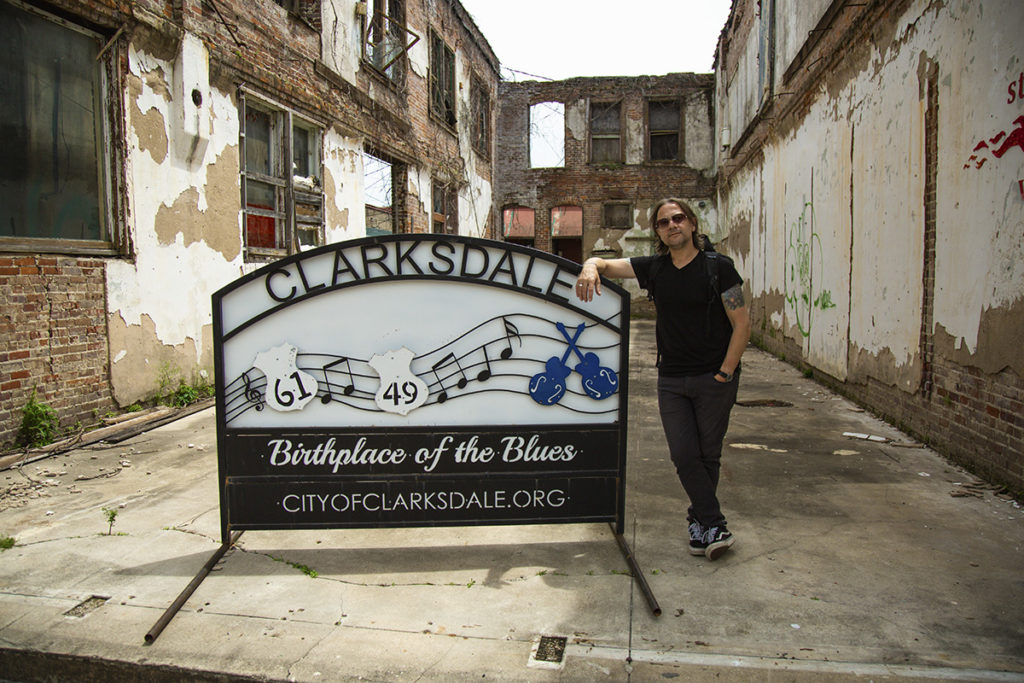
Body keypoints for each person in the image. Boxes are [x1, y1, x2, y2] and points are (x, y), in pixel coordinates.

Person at [575, 198, 751, 560]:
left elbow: (742, 324)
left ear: (691, 223)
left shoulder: (720, 268)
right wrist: (590, 266)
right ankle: (714, 523)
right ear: (657, 231)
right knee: (684, 454)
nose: (672, 225)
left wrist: (726, 372)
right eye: (663, 222)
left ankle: (700, 524)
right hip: (671, 379)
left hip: (714, 378)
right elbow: (606, 264)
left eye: (678, 218)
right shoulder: (655, 268)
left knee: (708, 455)